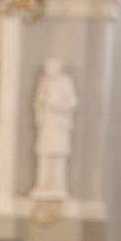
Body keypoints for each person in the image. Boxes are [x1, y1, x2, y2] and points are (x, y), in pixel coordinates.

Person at [31, 59, 78, 200]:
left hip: (59, 123)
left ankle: (58, 184)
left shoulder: (66, 82)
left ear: (58, 68)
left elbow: (72, 102)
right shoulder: (44, 82)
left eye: (51, 69)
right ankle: (43, 183)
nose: (49, 72)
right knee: (44, 152)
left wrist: (57, 106)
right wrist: (41, 108)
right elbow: (38, 102)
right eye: (47, 69)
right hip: (47, 123)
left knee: (59, 154)